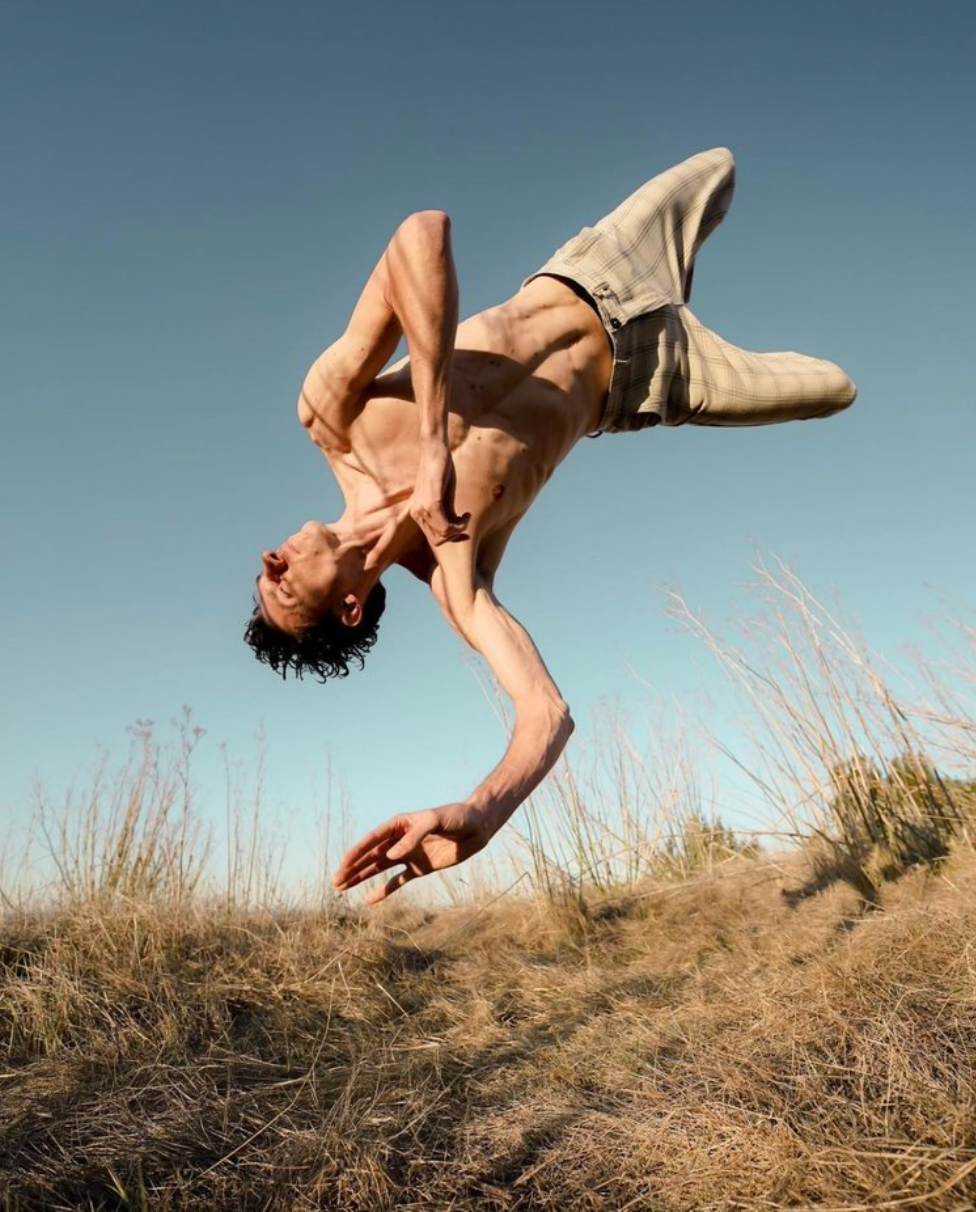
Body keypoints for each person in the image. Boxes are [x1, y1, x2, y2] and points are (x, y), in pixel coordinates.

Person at [244, 147, 857, 906]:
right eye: (282, 586)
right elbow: (547, 714)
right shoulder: (456, 577)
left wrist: (434, 441)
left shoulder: (332, 416)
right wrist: (482, 811)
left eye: (264, 570)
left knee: (725, 165)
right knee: (835, 390)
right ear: (348, 607)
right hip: (655, 377)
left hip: (596, 271)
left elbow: (420, 235)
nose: (271, 558)